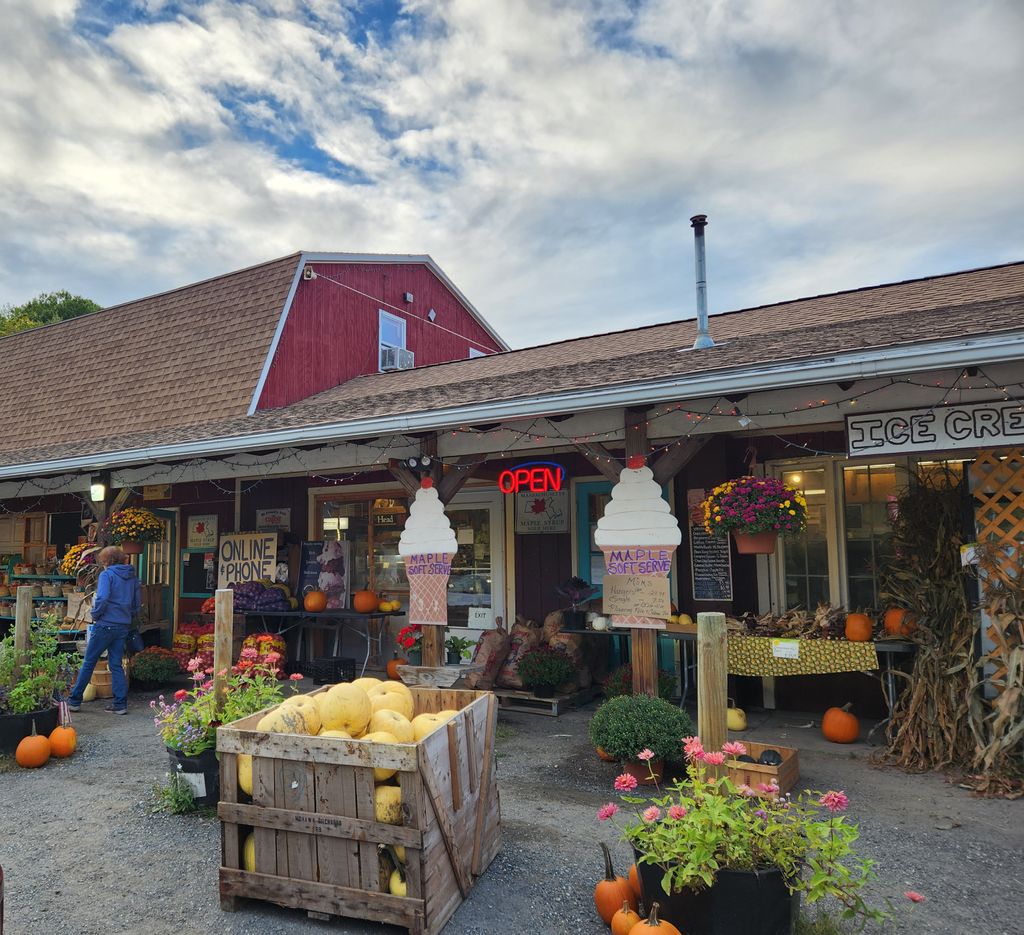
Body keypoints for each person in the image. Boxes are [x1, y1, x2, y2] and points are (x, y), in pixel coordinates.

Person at [67, 546, 142, 715]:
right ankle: (120, 704)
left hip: (105, 624)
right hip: (122, 625)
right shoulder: (132, 577)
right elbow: (137, 604)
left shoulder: (107, 575)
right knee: (115, 664)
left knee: (89, 662)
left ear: (107, 561)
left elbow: (102, 598)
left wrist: (95, 613)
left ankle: (74, 701)